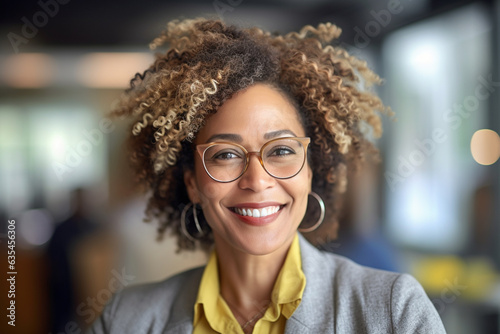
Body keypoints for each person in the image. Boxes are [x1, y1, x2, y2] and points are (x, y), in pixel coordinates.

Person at [88, 18, 446, 333]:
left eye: (281, 151)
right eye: (226, 154)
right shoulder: (125, 320)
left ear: (310, 170)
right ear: (193, 184)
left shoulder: (393, 311)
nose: (257, 181)